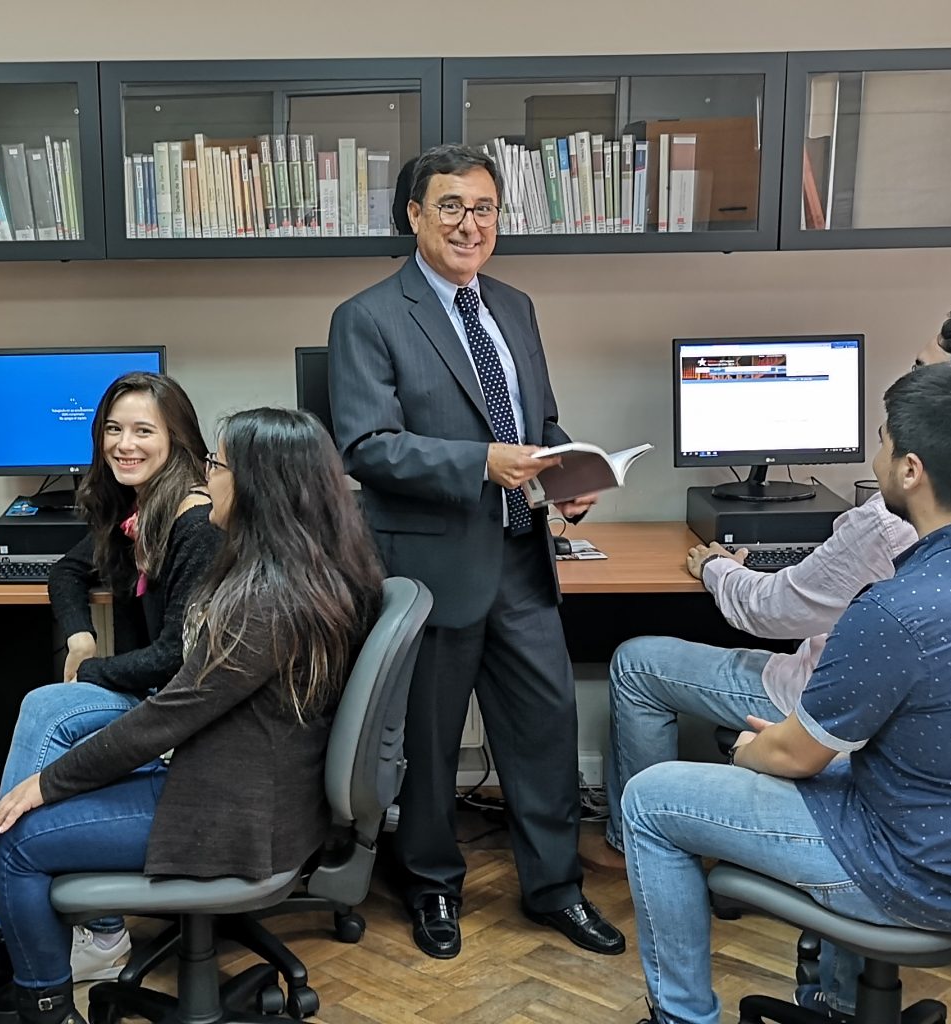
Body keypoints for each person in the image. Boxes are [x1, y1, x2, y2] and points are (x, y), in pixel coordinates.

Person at [621, 360, 951, 1024]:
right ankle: (838, 1003)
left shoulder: (895, 611)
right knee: (847, 761)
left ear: (910, 470)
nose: (876, 457)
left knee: (650, 799)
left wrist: (750, 752)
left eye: (883, 442)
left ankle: (680, 1018)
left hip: (921, 873)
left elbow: (792, 756)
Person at [0, 407, 383, 1024]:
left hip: (235, 813)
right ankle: (29, 972)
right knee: (57, 785)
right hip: (257, 786)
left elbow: (170, 716)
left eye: (217, 465)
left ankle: (43, 1006)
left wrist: (48, 783)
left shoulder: (265, 602)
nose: (206, 478)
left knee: (16, 836)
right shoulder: (311, 572)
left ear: (258, 486)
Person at [604, 310, 951, 857]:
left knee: (636, 663)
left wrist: (717, 568)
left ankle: (634, 845)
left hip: (883, 765)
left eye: (921, 371)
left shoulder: (892, 553)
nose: (904, 382)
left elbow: (771, 613)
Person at [328, 142, 623, 960]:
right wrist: (480, 464)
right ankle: (431, 886)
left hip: (523, 557)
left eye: (484, 208)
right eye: (451, 207)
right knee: (429, 744)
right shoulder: (368, 316)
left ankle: (556, 889)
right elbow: (366, 446)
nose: (470, 224)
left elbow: (538, 420)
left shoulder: (515, 306)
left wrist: (568, 468)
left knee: (546, 732)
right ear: (414, 215)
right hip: (431, 569)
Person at [0, 371, 221, 1010]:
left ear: (178, 439)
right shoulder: (140, 507)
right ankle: (92, 929)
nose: (124, 444)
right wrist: (80, 636)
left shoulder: (194, 522)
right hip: (151, 690)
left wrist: (93, 673)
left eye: (143, 431)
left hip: (178, 710)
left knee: (48, 710)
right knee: (47, 710)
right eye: (113, 429)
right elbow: (70, 571)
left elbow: (177, 656)